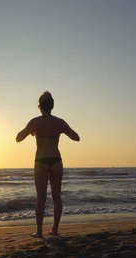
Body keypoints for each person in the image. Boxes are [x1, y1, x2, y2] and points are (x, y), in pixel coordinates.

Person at [16, 91, 80, 238]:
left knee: (41, 198)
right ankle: (55, 229)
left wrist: (32, 131)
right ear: (52, 106)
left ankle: (39, 231)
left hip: (41, 161)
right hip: (56, 160)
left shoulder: (35, 122)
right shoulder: (60, 122)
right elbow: (76, 137)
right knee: (56, 196)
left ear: (39, 107)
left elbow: (18, 138)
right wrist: (60, 131)